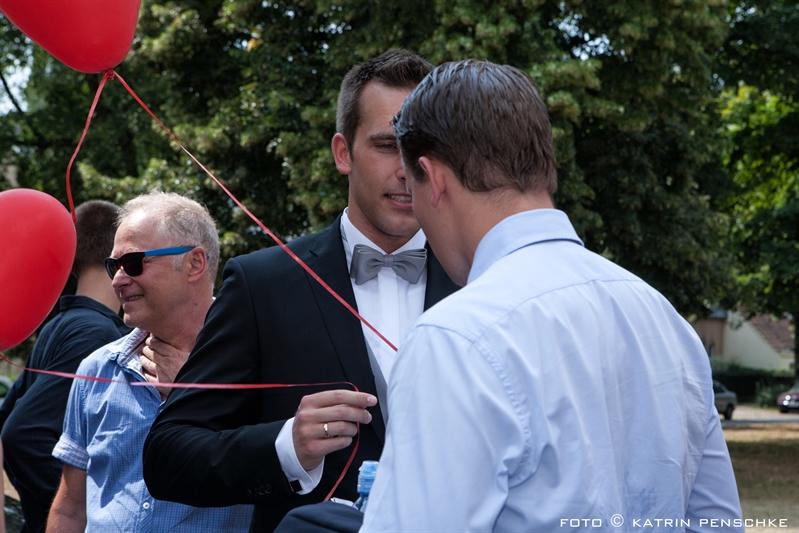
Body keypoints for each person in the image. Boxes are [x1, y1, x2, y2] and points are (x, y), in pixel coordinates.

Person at [359, 60, 744, 532]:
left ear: (432, 177)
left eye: (414, 193)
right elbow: (717, 523)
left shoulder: (455, 338)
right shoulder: (664, 318)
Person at [142, 49, 459, 531]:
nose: (406, 168)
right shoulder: (265, 283)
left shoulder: (480, 282)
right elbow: (168, 455)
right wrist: (287, 446)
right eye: (385, 145)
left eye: (422, 149)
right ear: (341, 153)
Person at [47, 192, 253, 532]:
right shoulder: (98, 369)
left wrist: (191, 395)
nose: (117, 280)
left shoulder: (255, 363)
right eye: (114, 266)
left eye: (133, 263)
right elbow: (71, 507)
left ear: (194, 264)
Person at [0, 200, 128, 533]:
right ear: (119, 255)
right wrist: (82, 514)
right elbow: (22, 435)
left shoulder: (61, 324)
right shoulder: (95, 335)